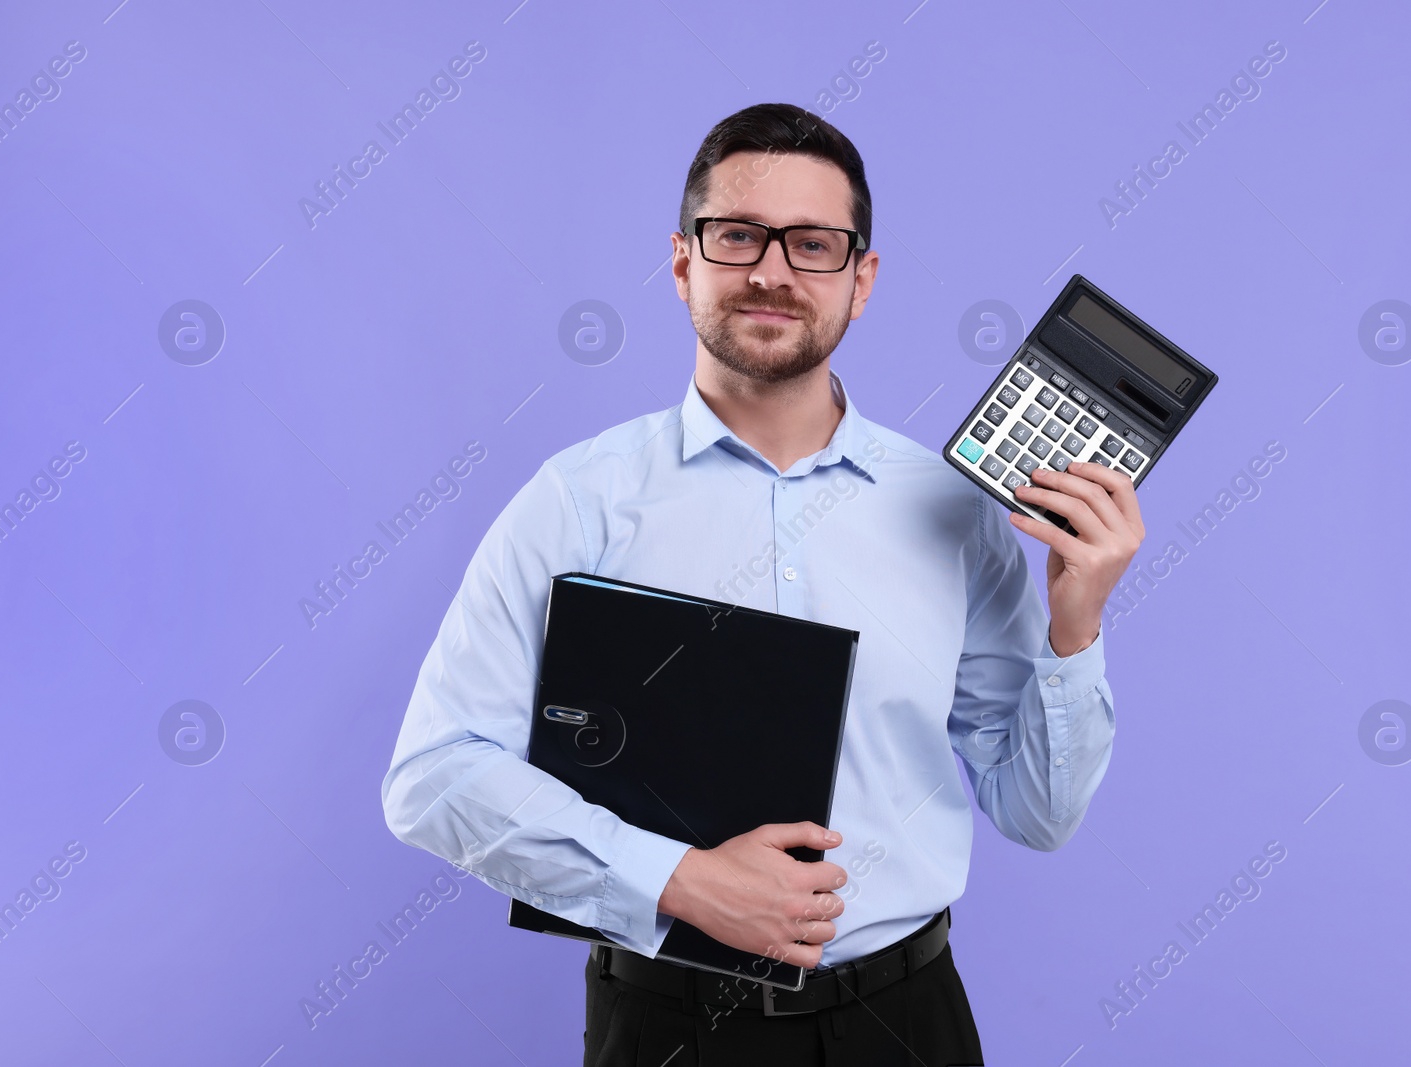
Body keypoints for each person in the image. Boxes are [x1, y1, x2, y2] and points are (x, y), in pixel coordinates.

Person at [381, 102, 1144, 1066]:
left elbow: (1038, 814)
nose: (773, 271)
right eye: (738, 235)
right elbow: (432, 773)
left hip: (906, 1021)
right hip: (664, 1025)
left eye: (814, 244)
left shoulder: (954, 512)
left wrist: (1075, 624)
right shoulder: (579, 502)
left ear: (860, 281)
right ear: (682, 261)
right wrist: (676, 879)